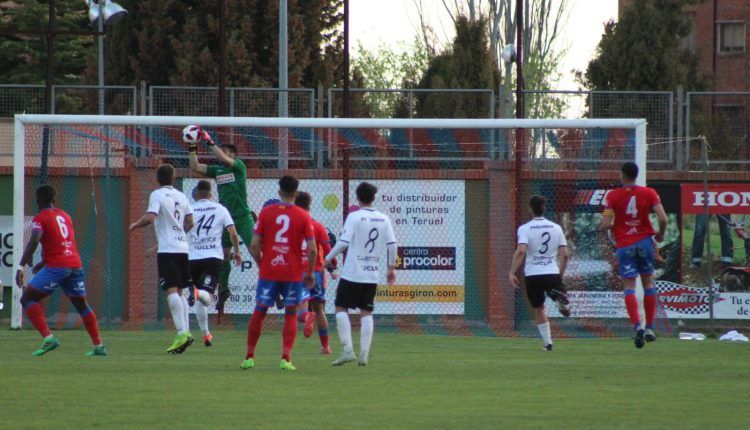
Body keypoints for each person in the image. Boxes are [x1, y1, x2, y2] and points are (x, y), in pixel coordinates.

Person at [15, 185, 107, 357]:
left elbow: (34, 240)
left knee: (28, 298)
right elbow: (64, 242)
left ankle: (48, 338)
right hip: (74, 264)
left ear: (38, 200)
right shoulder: (65, 216)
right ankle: (98, 346)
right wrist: (44, 262)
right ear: (54, 199)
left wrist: (20, 266)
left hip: (58, 266)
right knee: (82, 305)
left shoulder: (40, 218)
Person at [242, 175, 317, 371]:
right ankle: (286, 358)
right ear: (296, 193)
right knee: (291, 313)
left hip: (269, 271)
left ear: (279, 192)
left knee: (259, 312)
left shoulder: (267, 213)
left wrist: (261, 264)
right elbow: (312, 250)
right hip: (292, 273)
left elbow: (253, 244)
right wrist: (309, 273)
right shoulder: (303, 216)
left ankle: (249, 357)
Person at [325, 182, 397, 367]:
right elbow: (392, 245)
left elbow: (343, 243)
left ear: (357, 197)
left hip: (352, 273)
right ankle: (364, 354)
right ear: (373, 198)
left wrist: (327, 259)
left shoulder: (354, 217)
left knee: (341, 308)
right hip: (371, 274)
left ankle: (348, 350)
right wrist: (390, 269)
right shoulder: (384, 219)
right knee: (366, 312)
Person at [600, 162, 668, 349]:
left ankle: (637, 326)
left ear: (622, 175)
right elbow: (663, 218)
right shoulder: (649, 193)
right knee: (648, 283)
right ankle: (650, 327)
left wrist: (610, 226)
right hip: (645, 243)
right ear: (636, 175)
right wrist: (660, 234)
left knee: (629, 286)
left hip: (625, 245)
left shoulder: (613, 196)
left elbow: (606, 224)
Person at [188, 128, 254, 316]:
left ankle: (274, 286)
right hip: (225, 217)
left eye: (226, 151)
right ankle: (223, 290)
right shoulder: (218, 170)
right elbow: (196, 167)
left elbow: (225, 159)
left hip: (242, 216)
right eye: (221, 150)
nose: (222, 154)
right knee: (225, 255)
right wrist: (192, 146)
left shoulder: (238, 166)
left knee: (254, 248)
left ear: (233, 155)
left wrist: (209, 141)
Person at [130, 164, 195, 353]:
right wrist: (179, 234)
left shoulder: (157, 195)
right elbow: (190, 221)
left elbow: (150, 218)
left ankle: (181, 333)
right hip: (183, 247)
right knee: (180, 291)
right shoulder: (182, 196)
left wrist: (135, 225)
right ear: (173, 178)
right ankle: (187, 332)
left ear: (157, 178)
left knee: (171, 290)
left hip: (168, 250)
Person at [508, 195, 571, 351]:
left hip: (532, 275)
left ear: (530, 209)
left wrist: (512, 272)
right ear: (544, 209)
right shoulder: (556, 228)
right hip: (551, 272)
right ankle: (561, 300)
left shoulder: (525, 228)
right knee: (561, 301)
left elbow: (521, 251)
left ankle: (548, 343)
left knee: (539, 307)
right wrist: (559, 276)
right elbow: (565, 254)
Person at [188, 180, 242, 347]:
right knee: (206, 297)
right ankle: (196, 293)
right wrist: (237, 251)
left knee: (199, 300)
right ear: (211, 194)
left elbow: (181, 231)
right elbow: (233, 233)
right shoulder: (220, 209)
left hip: (192, 258)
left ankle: (206, 335)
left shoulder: (189, 209)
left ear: (197, 194)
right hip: (212, 257)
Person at [295, 191, 338, 354]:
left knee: (300, 312)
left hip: (299, 272)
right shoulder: (318, 226)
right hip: (317, 272)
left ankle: (307, 317)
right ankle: (326, 347)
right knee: (320, 310)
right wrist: (333, 264)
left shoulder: (292, 225)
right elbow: (328, 250)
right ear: (309, 206)